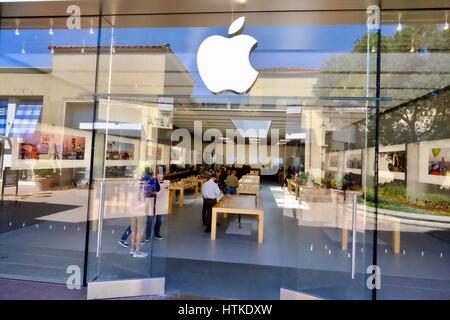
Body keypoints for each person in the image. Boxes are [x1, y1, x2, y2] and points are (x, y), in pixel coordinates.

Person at [118, 171, 162, 250]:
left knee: (137, 225)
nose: (147, 182)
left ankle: (133, 244)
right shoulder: (145, 185)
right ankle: (130, 242)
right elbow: (147, 196)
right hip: (139, 209)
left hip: (137, 208)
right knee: (136, 226)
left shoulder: (143, 185)